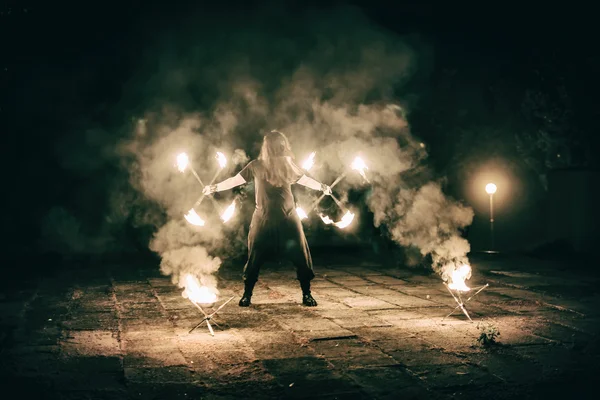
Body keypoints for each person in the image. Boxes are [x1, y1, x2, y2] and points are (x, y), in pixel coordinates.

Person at [203, 130, 332, 307]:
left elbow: (304, 179)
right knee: (254, 256)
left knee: (301, 255)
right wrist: (215, 187)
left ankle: (306, 293)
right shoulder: (256, 165)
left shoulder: (287, 164)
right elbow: (235, 180)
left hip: (288, 217)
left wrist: (322, 187)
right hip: (263, 218)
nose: (279, 148)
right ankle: (247, 294)